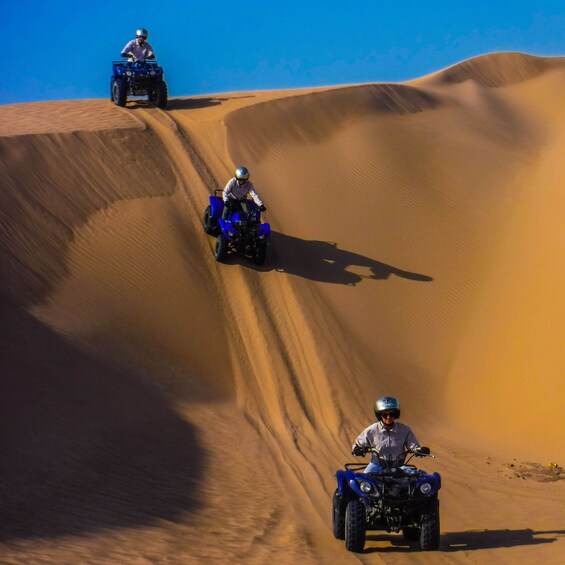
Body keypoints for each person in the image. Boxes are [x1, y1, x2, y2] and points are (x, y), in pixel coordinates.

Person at [351, 395, 424, 473]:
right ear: (380, 415)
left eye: (391, 414)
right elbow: (358, 444)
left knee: (415, 478)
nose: (388, 417)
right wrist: (357, 449)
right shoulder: (372, 430)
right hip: (376, 465)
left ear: (396, 414)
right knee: (364, 479)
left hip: (398, 466)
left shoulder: (404, 430)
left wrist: (419, 450)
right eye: (385, 415)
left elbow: (413, 446)